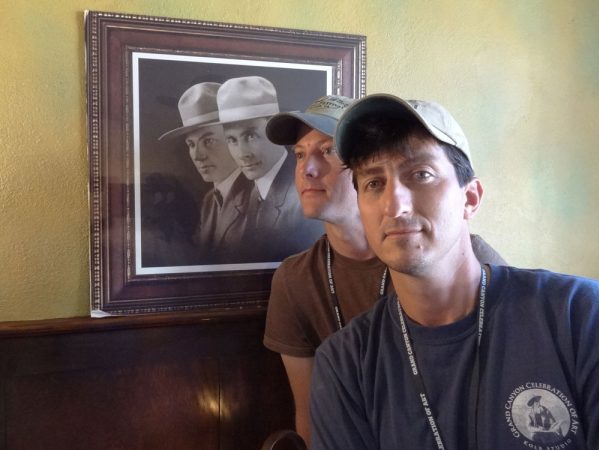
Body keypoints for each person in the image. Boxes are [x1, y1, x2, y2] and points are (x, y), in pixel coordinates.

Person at [309, 94, 599, 449]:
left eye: (421, 174)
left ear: (471, 198)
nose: (394, 205)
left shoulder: (579, 315)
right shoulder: (345, 364)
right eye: (374, 183)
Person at [262, 95, 507, 446]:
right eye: (299, 155)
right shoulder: (297, 282)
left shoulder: (460, 259)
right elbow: (311, 420)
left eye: (327, 151)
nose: (307, 169)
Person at [217, 76, 323, 262]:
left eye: (250, 136)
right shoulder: (237, 195)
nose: (242, 154)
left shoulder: (306, 195)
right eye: (232, 140)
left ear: (275, 131)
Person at [158, 82, 253, 261]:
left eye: (208, 141)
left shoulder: (258, 195)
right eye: (191, 144)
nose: (197, 156)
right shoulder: (210, 200)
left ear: (234, 139)